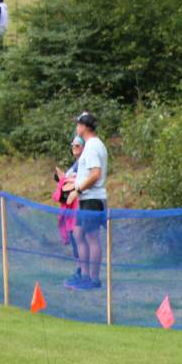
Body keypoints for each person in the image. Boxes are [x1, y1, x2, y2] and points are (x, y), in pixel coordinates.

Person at [65, 112, 108, 290]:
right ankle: (84, 275)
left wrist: (78, 190)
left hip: (92, 199)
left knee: (92, 238)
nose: (76, 127)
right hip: (87, 198)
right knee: (79, 234)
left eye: (78, 124)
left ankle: (93, 279)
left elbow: (95, 173)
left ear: (85, 127)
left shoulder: (91, 147)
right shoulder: (92, 145)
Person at [53, 136, 84, 284]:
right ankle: (80, 270)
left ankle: (85, 273)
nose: (74, 149)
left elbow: (78, 182)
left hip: (80, 207)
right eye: (73, 146)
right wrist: (62, 179)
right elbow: (66, 183)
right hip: (70, 209)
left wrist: (66, 180)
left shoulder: (84, 164)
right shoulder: (75, 165)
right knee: (74, 240)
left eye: (77, 146)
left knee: (80, 240)